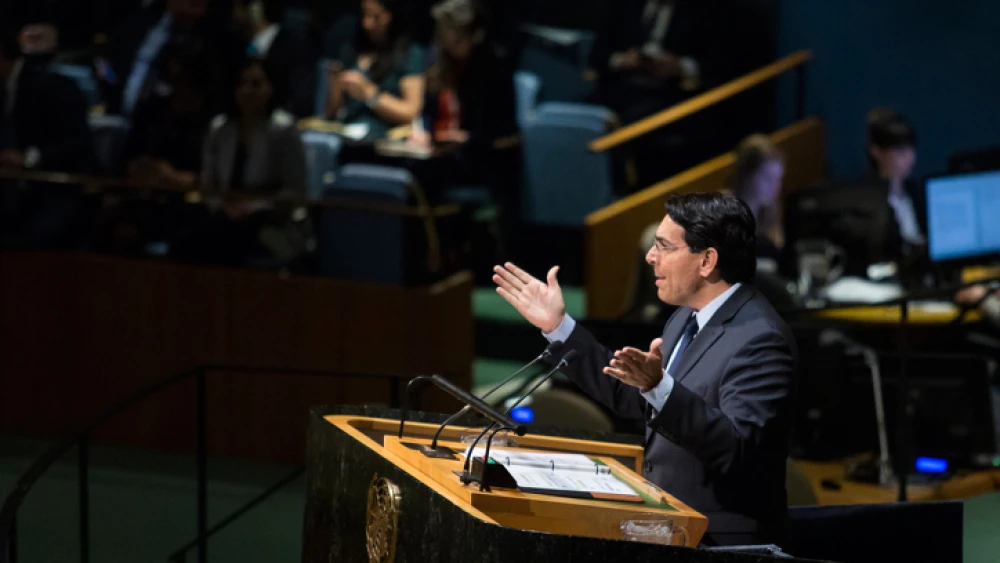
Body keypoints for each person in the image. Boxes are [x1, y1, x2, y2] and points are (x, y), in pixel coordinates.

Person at [493, 192, 797, 546]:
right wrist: (558, 327)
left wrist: (660, 387)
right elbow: (636, 396)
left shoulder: (760, 339)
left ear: (707, 261)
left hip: (722, 543)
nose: (650, 257)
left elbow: (736, 449)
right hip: (671, 527)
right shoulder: (686, 317)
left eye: (665, 247)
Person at [412, 0, 518, 201]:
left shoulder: (494, 69)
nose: (449, 46)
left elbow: (505, 131)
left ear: (474, 36)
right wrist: (423, 132)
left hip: (477, 160)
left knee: (421, 175)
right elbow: (427, 112)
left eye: (457, 40)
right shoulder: (438, 64)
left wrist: (466, 139)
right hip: (438, 152)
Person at [323, 0, 424, 140]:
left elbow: (411, 112)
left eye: (376, 17)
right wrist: (334, 85)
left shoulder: (409, 54)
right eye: (364, 15)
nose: (367, 24)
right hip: (346, 135)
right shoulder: (351, 50)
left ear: (392, 16)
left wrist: (369, 94)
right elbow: (331, 114)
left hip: (385, 139)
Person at [235, 0, 318, 117]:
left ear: (255, 9)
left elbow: (300, 101)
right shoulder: (238, 47)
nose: (234, 13)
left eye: (237, 6)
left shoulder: (296, 46)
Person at [731, 134, 785, 265]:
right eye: (767, 178)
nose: (775, 187)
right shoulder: (721, 211)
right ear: (746, 175)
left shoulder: (772, 214)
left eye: (778, 179)